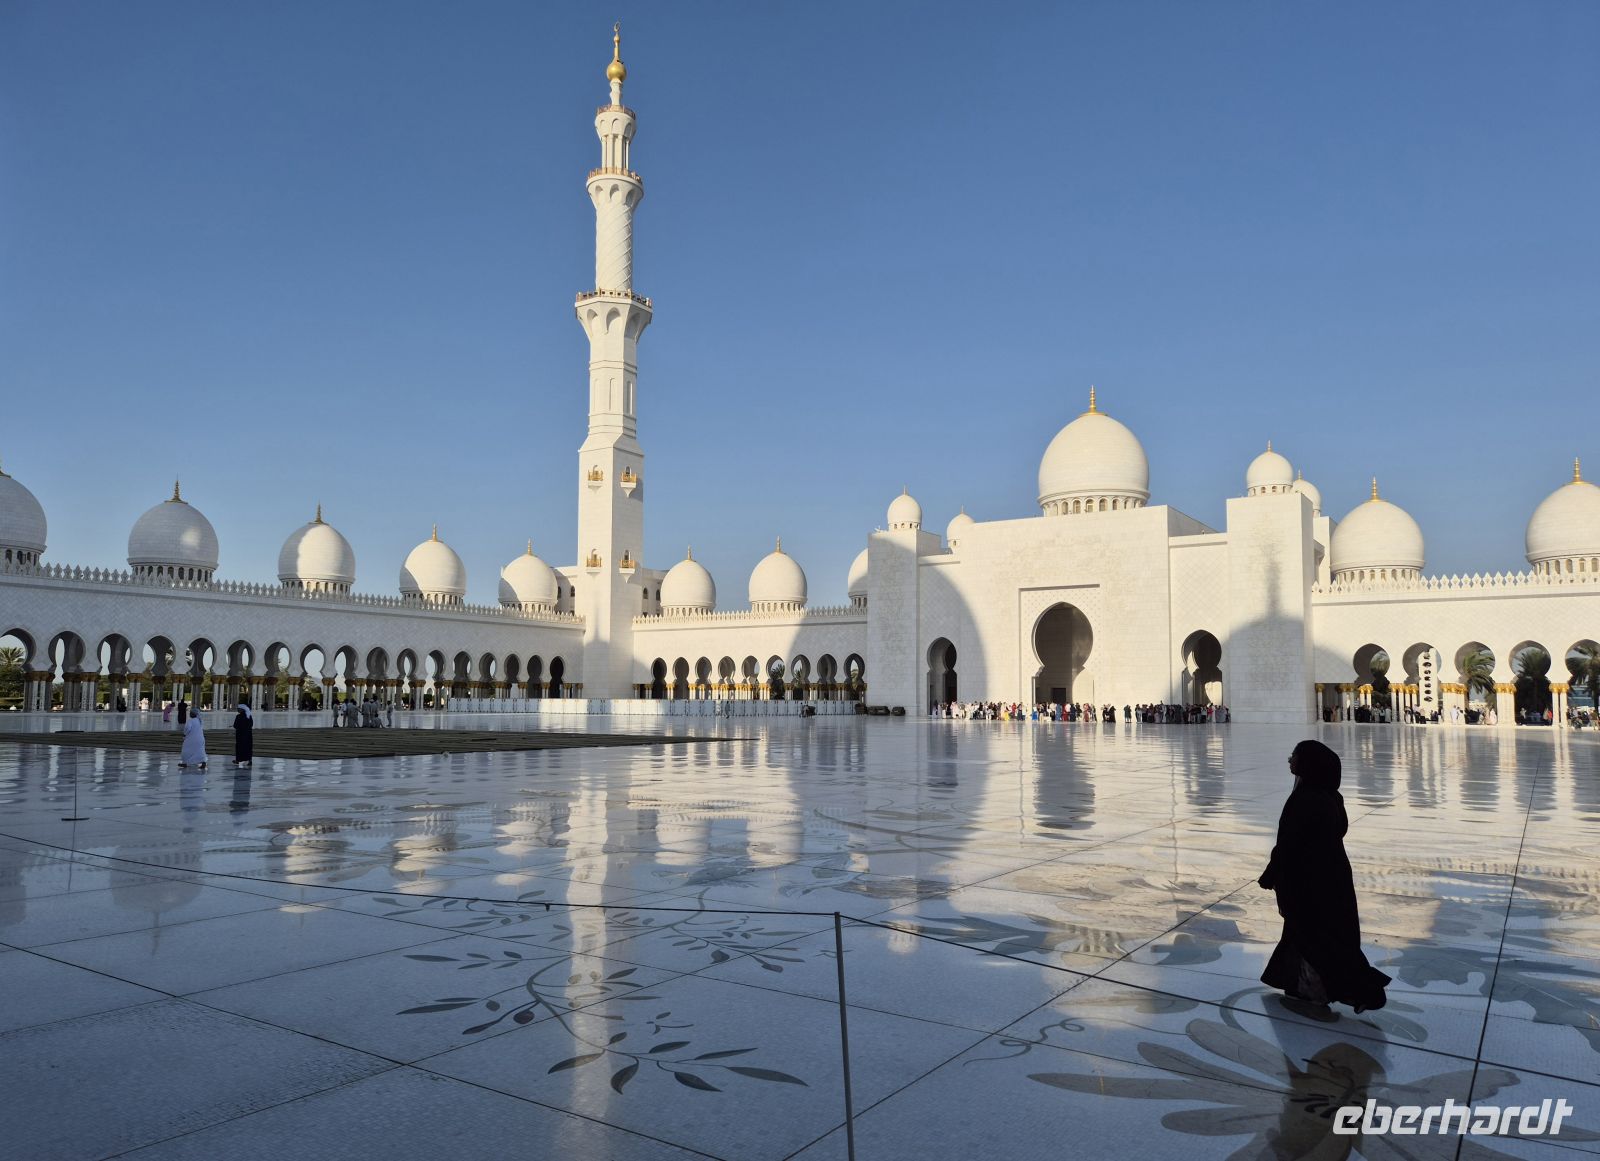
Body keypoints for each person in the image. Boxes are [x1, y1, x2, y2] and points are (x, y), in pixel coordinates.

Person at [1258, 740, 1389, 1012]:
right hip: (1332, 874)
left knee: (1314, 935)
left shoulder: (1307, 799)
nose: (1290, 761)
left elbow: (1290, 843)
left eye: (1294, 756)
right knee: (1319, 933)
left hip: (1309, 880)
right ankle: (1302, 985)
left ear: (1309, 764)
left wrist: (1272, 873)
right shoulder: (1330, 796)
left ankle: (1359, 989)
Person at [232, 700, 253, 768]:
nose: (237, 710)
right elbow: (251, 724)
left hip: (240, 735)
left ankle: (239, 760)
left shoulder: (238, 716)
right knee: (248, 747)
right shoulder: (249, 716)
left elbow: (235, 725)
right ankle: (249, 760)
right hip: (248, 735)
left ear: (242, 709)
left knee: (240, 747)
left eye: (238, 709)